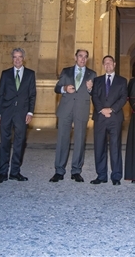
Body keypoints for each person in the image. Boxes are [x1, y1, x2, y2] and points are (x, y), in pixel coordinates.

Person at [50, 49, 96, 183]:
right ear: (75, 57)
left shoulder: (92, 74)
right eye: (80, 56)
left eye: (85, 57)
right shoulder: (66, 71)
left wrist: (90, 88)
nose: (82, 59)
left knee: (80, 141)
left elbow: (95, 93)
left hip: (81, 109)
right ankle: (59, 170)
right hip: (66, 109)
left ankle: (76, 171)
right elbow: (56, 88)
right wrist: (64, 89)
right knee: (62, 140)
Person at [0, 48, 36, 183]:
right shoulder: (5, 74)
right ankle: (3, 172)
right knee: (4, 143)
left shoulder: (30, 74)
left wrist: (30, 112)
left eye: (20, 57)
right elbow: (0, 94)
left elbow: (32, 95)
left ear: (24, 58)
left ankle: (15, 172)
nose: (17, 59)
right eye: (15, 57)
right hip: (6, 112)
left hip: (22, 114)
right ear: (12, 59)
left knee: (19, 143)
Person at [89, 55, 127, 185]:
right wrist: (102, 109)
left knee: (115, 147)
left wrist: (111, 109)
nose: (108, 65)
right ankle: (101, 175)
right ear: (103, 65)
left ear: (114, 64)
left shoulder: (122, 81)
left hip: (115, 118)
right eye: (105, 63)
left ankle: (116, 176)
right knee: (99, 146)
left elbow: (123, 98)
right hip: (100, 117)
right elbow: (94, 96)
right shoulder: (97, 80)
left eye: (110, 62)